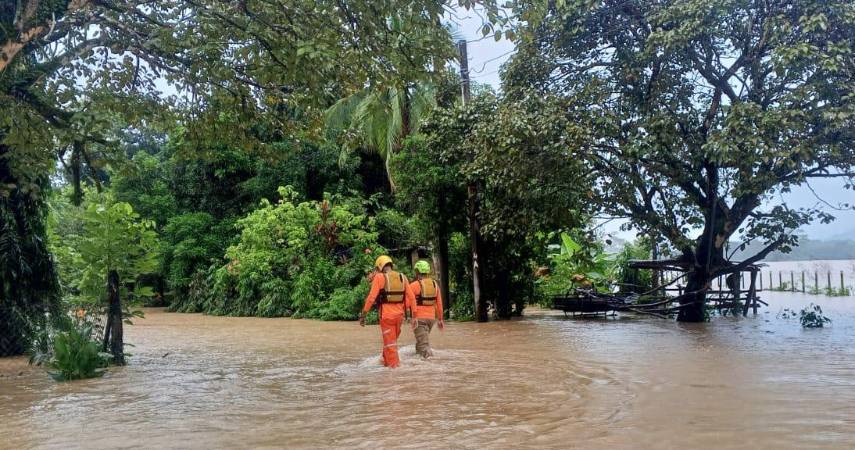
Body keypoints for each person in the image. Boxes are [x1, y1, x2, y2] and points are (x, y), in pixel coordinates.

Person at [359, 255, 415, 368]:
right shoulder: (402, 277)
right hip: (400, 317)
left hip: (387, 317)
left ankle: (394, 372)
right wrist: (415, 316)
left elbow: (371, 298)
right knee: (391, 343)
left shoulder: (379, 278)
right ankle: (384, 362)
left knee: (390, 344)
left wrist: (363, 315)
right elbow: (412, 297)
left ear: (380, 267)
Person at [409, 260, 444, 359]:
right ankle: (419, 364)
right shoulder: (435, 285)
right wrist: (440, 319)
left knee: (423, 345)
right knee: (421, 341)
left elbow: (407, 302)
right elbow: (439, 304)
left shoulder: (414, 285)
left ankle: (429, 365)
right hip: (431, 319)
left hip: (419, 319)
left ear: (417, 272)